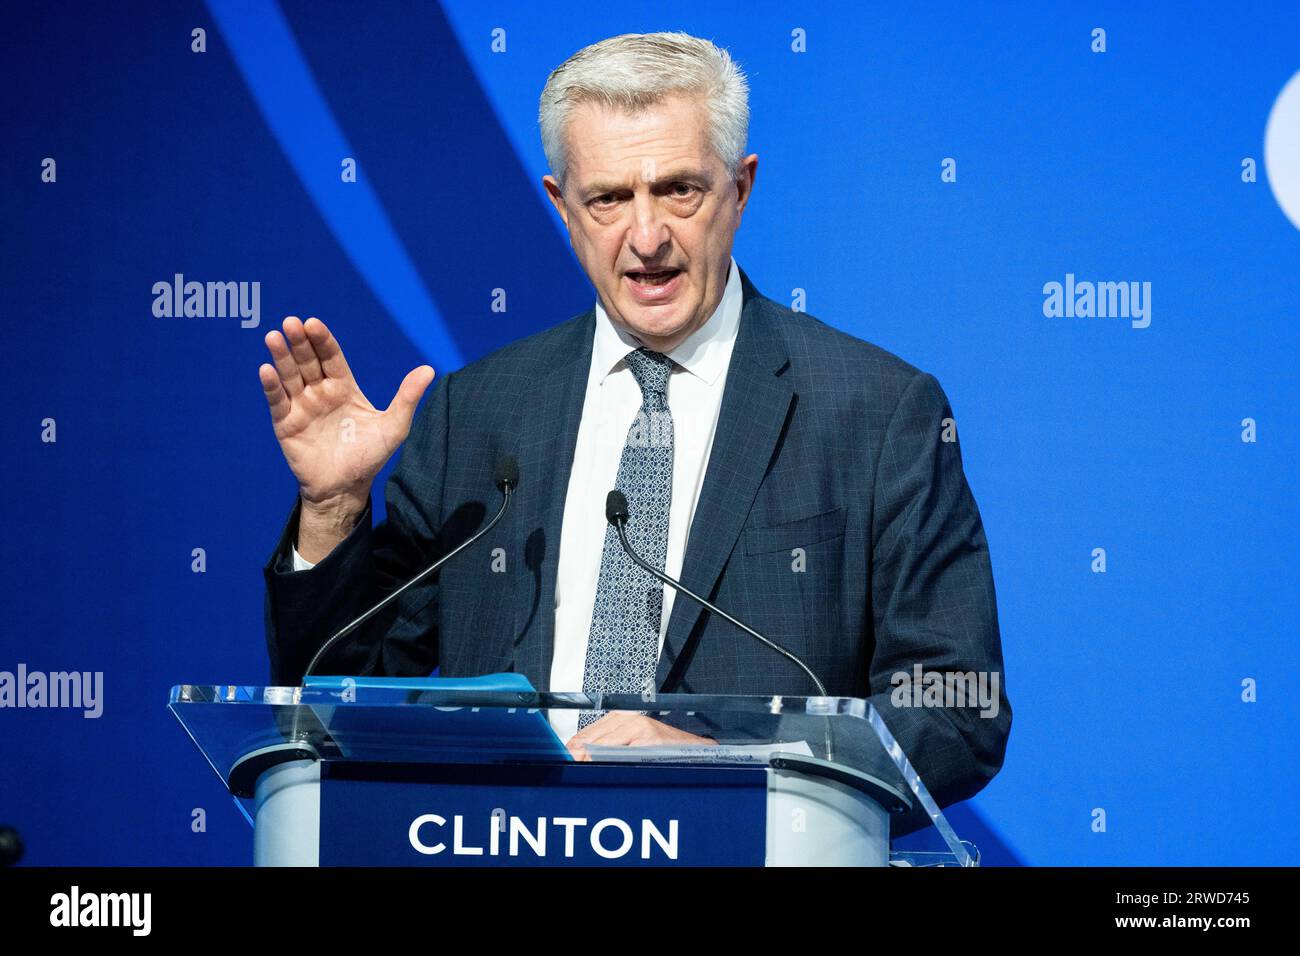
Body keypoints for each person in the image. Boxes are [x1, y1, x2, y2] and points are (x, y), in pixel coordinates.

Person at [258, 32, 1010, 812]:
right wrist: (334, 511)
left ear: (741, 190)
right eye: (609, 199)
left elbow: (957, 710)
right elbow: (341, 709)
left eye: (679, 190)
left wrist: (731, 762)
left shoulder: (876, 411)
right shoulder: (475, 414)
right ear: (561, 207)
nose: (646, 238)